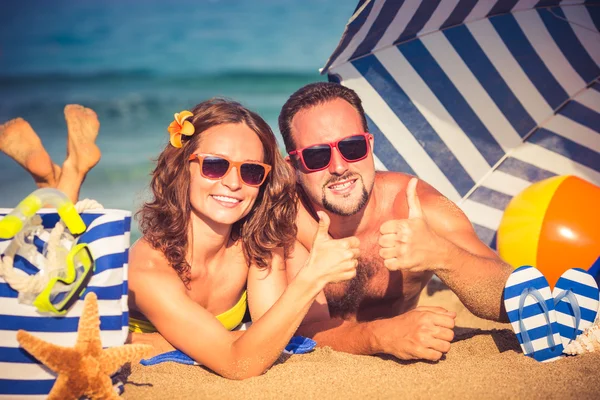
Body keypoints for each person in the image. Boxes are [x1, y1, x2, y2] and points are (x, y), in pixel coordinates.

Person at [278, 82, 513, 362]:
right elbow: (288, 333)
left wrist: (442, 255)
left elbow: (510, 300)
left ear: (370, 145)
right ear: (293, 168)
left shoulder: (416, 206)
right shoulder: (283, 224)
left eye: (352, 147)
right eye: (317, 156)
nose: (339, 167)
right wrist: (379, 335)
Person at [126, 98, 359, 380]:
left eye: (251, 171)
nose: (234, 183)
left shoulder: (255, 243)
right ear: (181, 167)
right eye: (215, 166)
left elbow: (272, 341)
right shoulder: (149, 269)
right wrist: (310, 280)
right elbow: (240, 364)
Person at [0, 105, 101, 203]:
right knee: (60, 217)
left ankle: (49, 182)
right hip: (62, 217)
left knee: (51, 196)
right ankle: (73, 170)